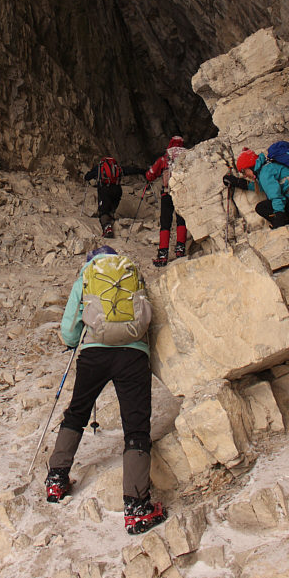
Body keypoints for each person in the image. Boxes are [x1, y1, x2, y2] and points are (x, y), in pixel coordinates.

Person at [44, 245, 167, 536]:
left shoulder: (87, 275)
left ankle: (57, 479)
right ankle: (136, 507)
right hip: (133, 354)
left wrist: (75, 342)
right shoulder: (131, 271)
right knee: (136, 427)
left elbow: (69, 330)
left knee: (77, 412)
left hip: (94, 354)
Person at [223, 147, 289, 228]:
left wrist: (279, 216)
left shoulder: (265, 174)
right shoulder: (267, 167)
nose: (244, 175)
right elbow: (264, 187)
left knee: (262, 208)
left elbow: (276, 196)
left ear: (250, 166)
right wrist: (238, 182)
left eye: (244, 171)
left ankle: (286, 223)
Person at [145, 136, 188, 267]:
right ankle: (180, 249)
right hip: (182, 193)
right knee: (181, 220)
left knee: (165, 223)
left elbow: (150, 175)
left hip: (167, 193)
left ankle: (163, 254)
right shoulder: (187, 157)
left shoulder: (165, 159)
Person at [84, 157, 146, 238]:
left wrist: (87, 177)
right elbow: (130, 170)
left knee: (103, 211)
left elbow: (87, 177)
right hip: (117, 190)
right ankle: (111, 217)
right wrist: (143, 171)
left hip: (105, 189)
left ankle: (107, 228)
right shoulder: (117, 168)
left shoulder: (99, 168)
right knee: (112, 207)